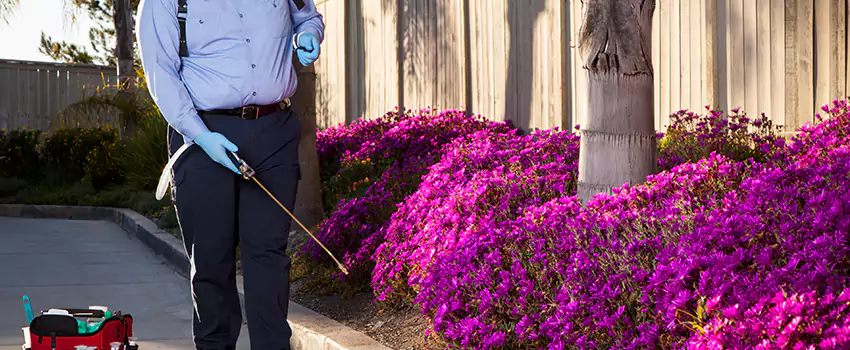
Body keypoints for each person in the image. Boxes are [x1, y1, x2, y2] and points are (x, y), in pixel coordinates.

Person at [135, 0, 324, 348]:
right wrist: (201, 135)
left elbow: (306, 15)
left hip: (273, 132)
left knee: (268, 257)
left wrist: (309, 33)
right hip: (201, 134)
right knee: (210, 260)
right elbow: (160, 72)